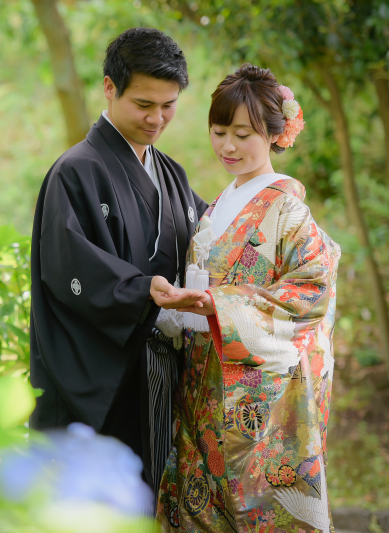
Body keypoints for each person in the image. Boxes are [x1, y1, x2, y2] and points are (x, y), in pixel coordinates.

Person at [156, 64, 340, 532]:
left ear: (276, 134)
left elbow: (310, 290)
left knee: (258, 507)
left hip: (258, 394)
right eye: (219, 132)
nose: (228, 147)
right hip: (202, 378)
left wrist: (219, 305)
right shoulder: (218, 206)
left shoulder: (288, 209)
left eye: (243, 134)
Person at [29, 27, 208, 494]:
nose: (157, 119)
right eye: (144, 105)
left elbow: (214, 234)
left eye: (168, 106)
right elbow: (67, 267)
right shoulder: (76, 171)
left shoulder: (169, 173)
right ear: (109, 88)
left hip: (159, 375)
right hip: (103, 378)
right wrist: (138, 289)